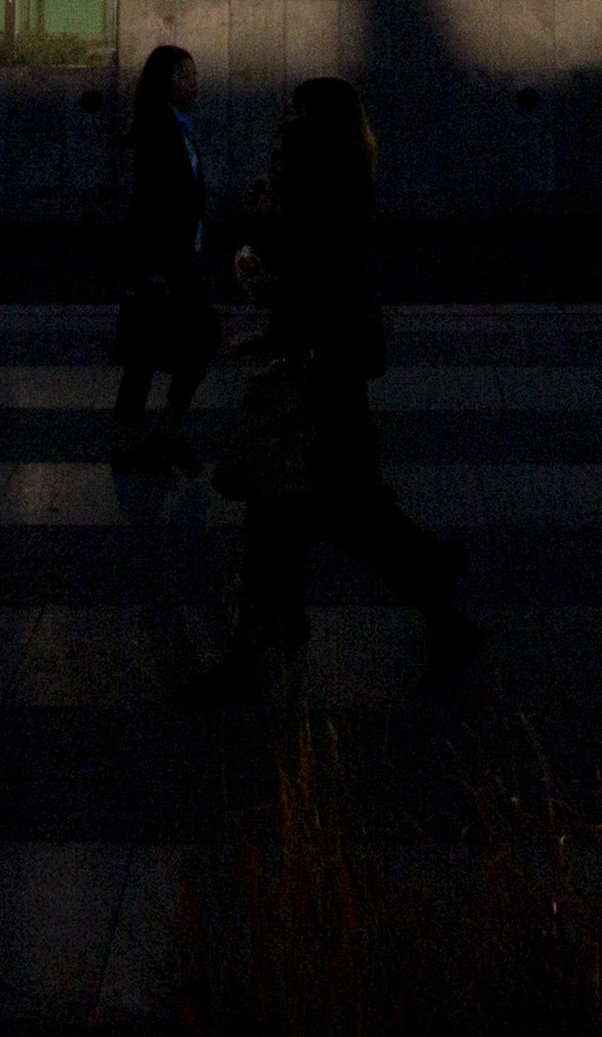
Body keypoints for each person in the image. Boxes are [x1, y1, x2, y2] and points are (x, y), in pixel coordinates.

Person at [187, 74, 482, 700]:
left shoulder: (319, 192)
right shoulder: (349, 179)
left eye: (289, 133)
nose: (279, 147)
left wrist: (260, 276)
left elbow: (310, 283)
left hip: (320, 379)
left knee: (305, 513)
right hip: (335, 367)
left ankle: (259, 647)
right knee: (325, 513)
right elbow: (329, 283)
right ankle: (410, 592)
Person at [110, 44, 218, 468]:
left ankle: (152, 437)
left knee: (157, 350)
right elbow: (149, 205)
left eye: (193, 74)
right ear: (165, 83)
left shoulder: (177, 126)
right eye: (184, 75)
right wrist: (150, 269)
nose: (194, 82)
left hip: (175, 262)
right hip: (164, 266)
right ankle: (140, 440)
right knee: (154, 351)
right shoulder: (161, 129)